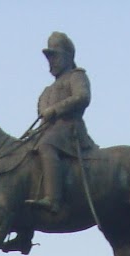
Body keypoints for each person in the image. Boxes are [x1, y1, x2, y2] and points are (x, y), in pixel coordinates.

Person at [25, 32, 97, 215]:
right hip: (48, 131)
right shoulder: (46, 91)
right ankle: (25, 229)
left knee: (46, 145)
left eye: (55, 56)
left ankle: (53, 199)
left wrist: (55, 110)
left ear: (68, 56)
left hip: (69, 129)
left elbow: (82, 97)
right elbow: (41, 112)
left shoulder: (76, 76)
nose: (51, 61)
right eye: (49, 58)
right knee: (23, 156)